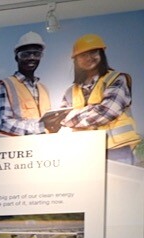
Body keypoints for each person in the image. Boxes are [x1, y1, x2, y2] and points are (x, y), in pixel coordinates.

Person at [55, 34, 140, 165]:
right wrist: (71, 119)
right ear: (76, 60)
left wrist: (71, 119)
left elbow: (106, 112)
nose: (89, 58)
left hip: (117, 151)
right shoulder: (70, 91)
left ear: (101, 54)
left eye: (93, 52)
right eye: (83, 55)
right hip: (84, 152)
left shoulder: (116, 79)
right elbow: (60, 119)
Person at [0, 31, 52, 136]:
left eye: (36, 54)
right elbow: (4, 124)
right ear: (16, 57)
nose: (32, 58)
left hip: (43, 144)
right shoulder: (5, 85)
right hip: (18, 146)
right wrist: (41, 127)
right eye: (25, 54)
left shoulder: (44, 89)